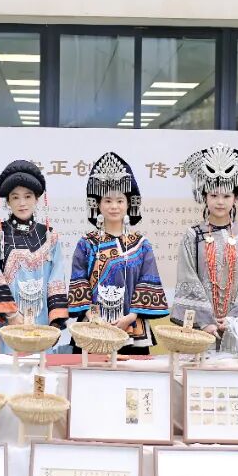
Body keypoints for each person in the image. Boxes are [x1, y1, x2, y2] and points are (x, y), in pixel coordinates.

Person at [171, 142, 238, 352]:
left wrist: (234, 319)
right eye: (214, 195)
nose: (220, 202)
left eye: (226, 196)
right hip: (200, 328)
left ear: (236, 198)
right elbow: (188, 278)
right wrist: (205, 321)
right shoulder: (192, 236)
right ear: (204, 196)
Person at [68, 152, 168, 354]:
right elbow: (79, 282)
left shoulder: (141, 245)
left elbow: (147, 282)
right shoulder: (87, 243)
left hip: (132, 328)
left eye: (120, 201)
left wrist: (131, 316)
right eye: (107, 200)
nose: (114, 206)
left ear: (129, 204)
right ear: (97, 204)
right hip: (92, 327)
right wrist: (93, 316)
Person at [0, 160, 68, 351]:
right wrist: (11, 314)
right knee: (8, 365)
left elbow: (56, 277)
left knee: (41, 365)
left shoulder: (49, 235)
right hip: (8, 323)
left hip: (41, 323)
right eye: (15, 197)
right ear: (8, 202)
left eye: (28, 196)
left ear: (37, 199)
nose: (22, 203)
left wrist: (54, 322)